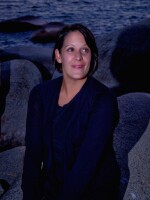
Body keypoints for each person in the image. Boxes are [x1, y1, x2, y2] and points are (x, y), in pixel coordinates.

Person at [21, 24, 120, 200]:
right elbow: (32, 157)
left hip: (92, 191)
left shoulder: (103, 100)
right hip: (51, 187)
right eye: (70, 49)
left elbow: (85, 167)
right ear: (58, 56)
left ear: (92, 56)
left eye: (85, 50)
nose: (78, 57)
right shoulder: (40, 95)